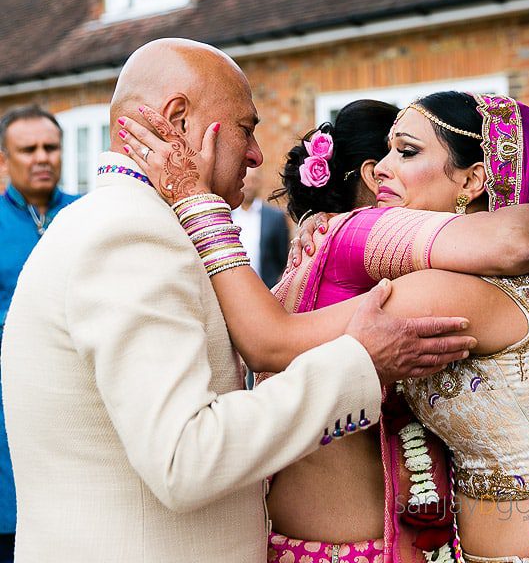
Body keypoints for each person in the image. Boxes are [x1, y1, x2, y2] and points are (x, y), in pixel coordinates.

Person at [0, 38, 477, 563]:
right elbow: (187, 458)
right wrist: (358, 363)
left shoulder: (112, 221)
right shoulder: (132, 234)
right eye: (246, 128)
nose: (257, 154)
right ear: (179, 118)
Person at [121, 91, 529, 563]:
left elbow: (268, 342)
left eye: (408, 151)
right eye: (387, 151)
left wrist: (199, 205)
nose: (383, 171)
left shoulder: (448, 285)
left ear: (473, 179)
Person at [0, 105, 79, 562]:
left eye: (50, 147)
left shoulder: (87, 217)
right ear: (5, 159)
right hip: (5, 402)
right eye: (27, 149)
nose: (41, 157)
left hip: (74, 397)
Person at [231, 165, 290, 289]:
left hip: (267, 291)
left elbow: (283, 259)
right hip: (233, 291)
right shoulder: (227, 216)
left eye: (254, 180)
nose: (249, 185)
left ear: (259, 182)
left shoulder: (275, 217)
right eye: (246, 180)